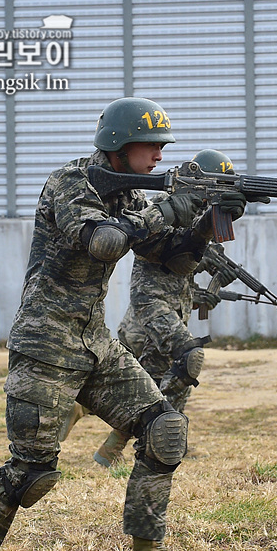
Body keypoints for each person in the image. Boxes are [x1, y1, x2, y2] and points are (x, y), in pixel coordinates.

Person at [0, 98, 248, 551]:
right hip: (44, 342)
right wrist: (171, 204)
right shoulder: (70, 183)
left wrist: (204, 220)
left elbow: (168, 255)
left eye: (162, 147)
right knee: (32, 472)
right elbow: (102, 243)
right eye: (151, 146)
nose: (159, 156)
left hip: (94, 341)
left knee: (165, 429)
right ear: (119, 146)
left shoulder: (129, 197)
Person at [75, 149, 245, 466]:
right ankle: (85, 410)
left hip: (173, 308)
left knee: (155, 385)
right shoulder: (166, 209)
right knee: (183, 363)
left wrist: (202, 294)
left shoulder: (199, 216)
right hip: (151, 308)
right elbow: (169, 255)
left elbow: (184, 272)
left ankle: (112, 450)